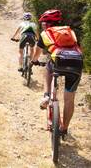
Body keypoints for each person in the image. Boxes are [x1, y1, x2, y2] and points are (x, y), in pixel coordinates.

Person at [31, 9, 83, 137]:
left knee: (48, 67)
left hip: (59, 61)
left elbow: (37, 53)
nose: (42, 25)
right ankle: (64, 128)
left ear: (48, 24)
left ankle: (47, 96)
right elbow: (77, 47)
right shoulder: (70, 31)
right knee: (69, 99)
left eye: (43, 22)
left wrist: (34, 61)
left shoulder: (45, 33)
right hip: (77, 62)